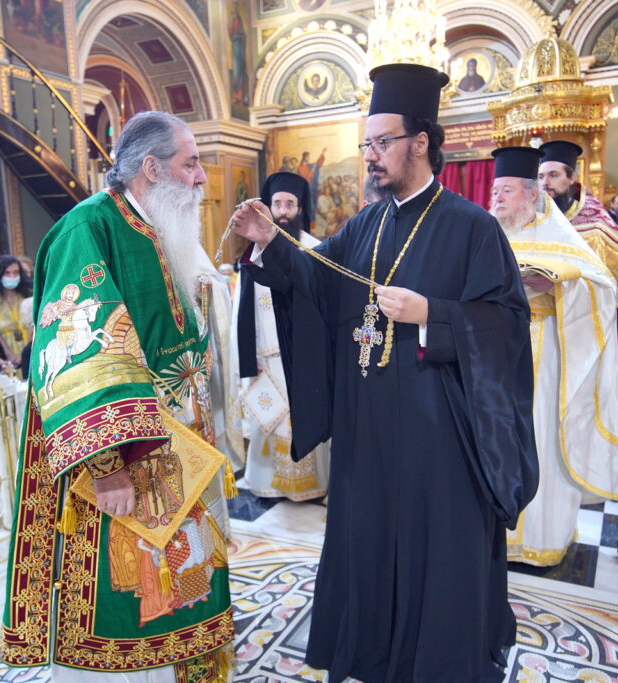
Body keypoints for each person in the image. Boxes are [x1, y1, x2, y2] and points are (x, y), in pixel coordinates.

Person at [231, 64, 537, 682]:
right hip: (367, 425)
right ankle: (371, 652)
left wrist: (433, 315)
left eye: (381, 142)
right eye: (366, 143)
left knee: (433, 544)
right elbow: (320, 282)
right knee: (368, 537)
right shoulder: (365, 224)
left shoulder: (471, 227)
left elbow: (507, 324)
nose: (369, 156)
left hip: (437, 430)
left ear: (420, 142)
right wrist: (272, 242)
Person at [0, 111, 235, 680]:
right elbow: (81, 358)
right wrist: (107, 469)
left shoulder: (160, 225)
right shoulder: (89, 228)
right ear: (151, 168)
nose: (202, 177)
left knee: (190, 568)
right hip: (125, 457)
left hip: (181, 447)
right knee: (133, 587)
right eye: (191, 163)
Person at [492, 146, 618, 566]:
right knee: (495, 439)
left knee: (540, 439)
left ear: (532, 194)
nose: (497, 198)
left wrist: (556, 285)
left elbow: (602, 286)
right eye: (495, 190)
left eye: (507, 190)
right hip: (491, 355)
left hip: (545, 354)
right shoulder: (485, 232)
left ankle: (542, 539)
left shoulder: (558, 234)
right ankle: (495, 533)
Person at [233, 172, 329, 502]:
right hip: (266, 356)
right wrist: (248, 357)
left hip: (303, 356)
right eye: (277, 204)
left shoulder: (315, 250)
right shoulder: (253, 254)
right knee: (268, 420)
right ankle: (268, 485)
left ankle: (315, 486)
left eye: (290, 204)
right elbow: (242, 312)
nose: (283, 211)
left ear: (301, 208)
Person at [538, 141, 618, 420]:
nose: (545, 183)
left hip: (584, 333)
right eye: (540, 176)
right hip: (540, 334)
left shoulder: (597, 228)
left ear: (572, 178)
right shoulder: (532, 222)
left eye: (553, 175)